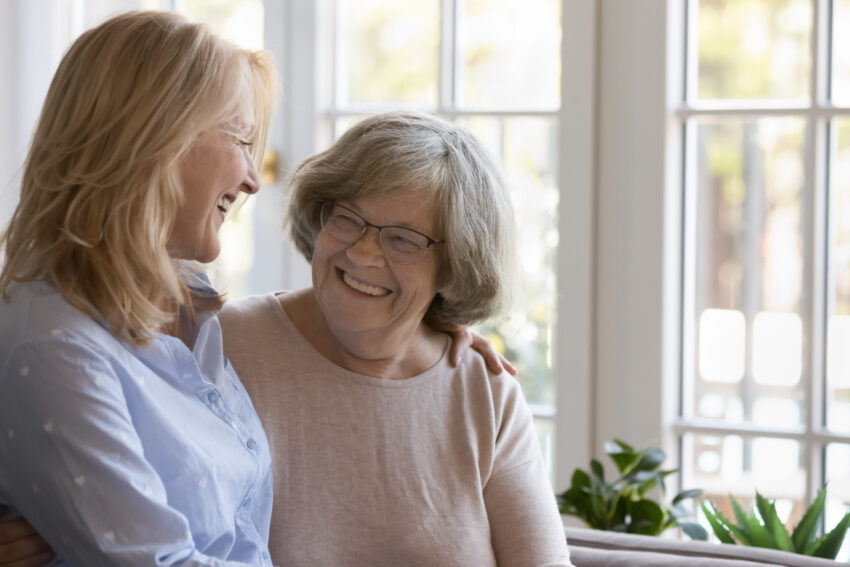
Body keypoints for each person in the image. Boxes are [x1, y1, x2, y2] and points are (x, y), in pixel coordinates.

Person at [218, 111, 573, 566]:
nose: (363, 253)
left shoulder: (484, 392)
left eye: (403, 241)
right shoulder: (225, 348)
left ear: (454, 266)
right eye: (347, 219)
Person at [0, 10, 280, 565]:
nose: (252, 178)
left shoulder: (190, 304)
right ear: (156, 138)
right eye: (241, 139)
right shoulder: (54, 345)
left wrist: (432, 330)